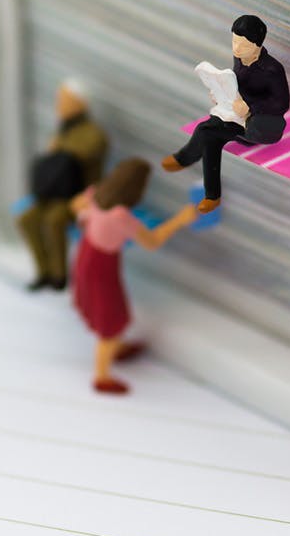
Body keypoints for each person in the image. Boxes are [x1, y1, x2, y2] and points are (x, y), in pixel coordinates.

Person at [70, 158, 198, 394]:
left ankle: (116, 347)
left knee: (112, 311)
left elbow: (76, 205)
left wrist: (86, 220)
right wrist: (180, 220)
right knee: (110, 319)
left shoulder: (95, 194)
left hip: (88, 256)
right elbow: (152, 241)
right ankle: (102, 376)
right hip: (101, 266)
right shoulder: (120, 215)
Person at [161, 14, 289, 212]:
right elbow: (237, 84)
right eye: (234, 42)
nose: (237, 49)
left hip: (258, 124)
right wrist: (220, 92)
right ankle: (212, 196)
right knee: (210, 138)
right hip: (235, 112)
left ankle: (185, 159)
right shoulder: (239, 58)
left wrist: (250, 106)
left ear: (257, 44)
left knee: (206, 130)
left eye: (243, 45)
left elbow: (281, 103)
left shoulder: (272, 69)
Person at [15, 79, 108, 291]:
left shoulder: (93, 133)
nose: (60, 105)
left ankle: (60, 275)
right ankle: (43, 271)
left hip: (77, 195)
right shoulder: (63, 130)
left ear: (80, 104)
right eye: (60, 100)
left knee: (54, 220)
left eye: (65, 101)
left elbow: (82, 154)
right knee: (27, 219)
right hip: (53, 191)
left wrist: (61, 147)